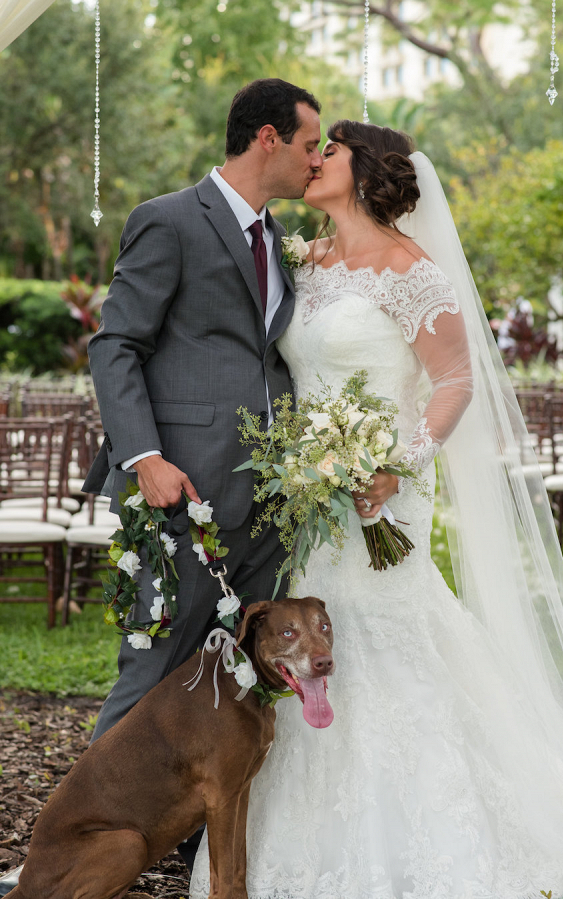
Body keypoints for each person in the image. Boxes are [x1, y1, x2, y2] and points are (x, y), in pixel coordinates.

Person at [190, 121, 563, 899]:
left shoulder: (414, 271)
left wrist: (394, 464)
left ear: (367, 171)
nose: (315, 162)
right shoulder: (307, 261)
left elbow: (453, 382)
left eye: (330, 152)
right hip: (308, 499)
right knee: (304, 635)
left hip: (381, 493)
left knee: (384, 638)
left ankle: (432, 835)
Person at [82, 78, 322, 869]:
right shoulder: (170, 220)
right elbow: (115, 345)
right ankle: (68, 849)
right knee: (155, 666)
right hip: (178, 491)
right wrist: (144, 456)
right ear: (266, 139)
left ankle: (194, 854)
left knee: (231, 675)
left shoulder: (279, 238)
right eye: (309, 143)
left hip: (265, 503)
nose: (315, 158)